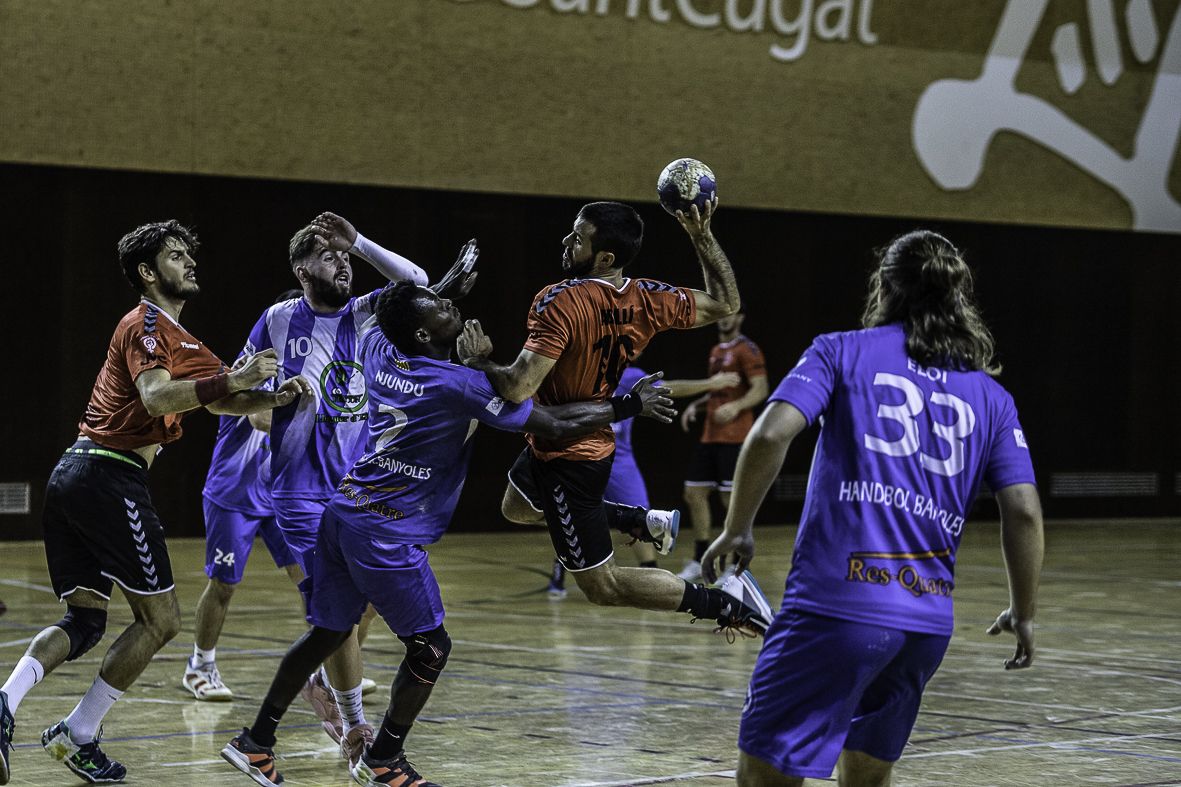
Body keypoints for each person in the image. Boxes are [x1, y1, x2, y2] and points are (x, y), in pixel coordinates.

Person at [220, 281, 676, 786]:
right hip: (385, 531)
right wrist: (627, 406)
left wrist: (437, 303)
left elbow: (389, 317)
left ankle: (255, 742)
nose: (449, 305)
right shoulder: (459, 386)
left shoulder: (379, 353)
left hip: (343, 511)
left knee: (328, 633)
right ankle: (384, 760)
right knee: (431, 648)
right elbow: (550, 423)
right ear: (422, 331)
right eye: (438, 306)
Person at [702, 230, 1044, 786]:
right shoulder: (991, 397)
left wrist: (738, 528)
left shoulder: (840, 352)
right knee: (867, 780)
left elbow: (769, 435)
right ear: (958, 298)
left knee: (763, 777)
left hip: (835, 610)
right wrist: (1023, 612)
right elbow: (1024, 512)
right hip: (924, 627)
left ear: (884, 286)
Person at [0, 221, 311, 785]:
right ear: (148, 273)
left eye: (190, 254)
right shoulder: (145, 323)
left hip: (74, 475)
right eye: (174, 255)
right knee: (161, 619)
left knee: (87, 621)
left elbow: (226, 401)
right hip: (107, 476)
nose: (189, 262)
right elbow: (156, 394)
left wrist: (274, 396)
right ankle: (77, 732)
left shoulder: (186, 342)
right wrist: (234, 382)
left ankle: (7, 702)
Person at [461, 197, 773, 636]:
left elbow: (518, 387)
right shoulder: (648, 298)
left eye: (578, 238)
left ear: (604, 257)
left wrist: (479, 362)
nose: (568, 241)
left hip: (571, 455)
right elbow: (725, 303)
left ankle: (726, 603)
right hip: (569, 441)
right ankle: (637, 520)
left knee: (603, 586)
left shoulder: (559, 300)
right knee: (517, 507)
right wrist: (701, 236)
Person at [239, 213, 477, 758]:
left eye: (344, 257)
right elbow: (242, 399)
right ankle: (352, 728)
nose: (341, 264)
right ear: (302, 270)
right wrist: (277, 404)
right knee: (335, 617)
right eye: (328, 256)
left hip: (359, 490)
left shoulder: (367, 316)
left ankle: (317, 686)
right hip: (300, 493)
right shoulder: (277, 321)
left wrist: (362, 243)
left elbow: (415, 283)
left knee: (351, 610)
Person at [182, 289, 303, 702]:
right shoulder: (256, 364)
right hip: (233, 493)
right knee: (224, 585)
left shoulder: (313, 366)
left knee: (312, 580)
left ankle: (325, 665)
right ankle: (200, 666)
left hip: (282, 494)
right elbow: (259, 417)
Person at [533, 357, 741, 598]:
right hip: (578, 455)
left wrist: (710, 383)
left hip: (617, 458)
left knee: (641, 519)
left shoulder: (628, 375)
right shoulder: (577, 371)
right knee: (568, 516)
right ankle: (559, 575)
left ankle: (651, 575)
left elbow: (668, 387)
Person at [676, 305, 768, 582]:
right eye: (722, 313)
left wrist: (736, 407)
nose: (726, 318)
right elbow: (720, 390)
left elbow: (761, 389)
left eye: (732, 313)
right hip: (710, 436)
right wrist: (699, 405)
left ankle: (735, 564)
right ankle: (699, 557)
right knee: (694, 494)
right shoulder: (716, 351)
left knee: (731, 501)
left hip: (735, 438)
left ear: (740, 318)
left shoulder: (747, 349)